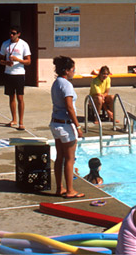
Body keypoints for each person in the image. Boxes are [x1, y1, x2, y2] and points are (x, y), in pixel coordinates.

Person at [49, 55, 84, 198]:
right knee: (70, 158)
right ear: (67, 70)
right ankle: (70, 190)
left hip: (55, 123)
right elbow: (69, 107)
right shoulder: (66, 85)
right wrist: (78, 126)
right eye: (73, 70)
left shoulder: (56, 83)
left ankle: (60, 188)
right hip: (65, 125)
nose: (74, 72)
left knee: (59, 157)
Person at [0, 26, 31, 130]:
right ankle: (14, 119)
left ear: (19, 34)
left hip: (19, 74)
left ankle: (21, 122)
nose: (11, 35)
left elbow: (28, 61)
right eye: (10, 33)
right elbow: (0, 59)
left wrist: (18, 59)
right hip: (8, 73)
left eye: (13, 33)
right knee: (11, 97)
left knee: (20, 98)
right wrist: (6, 62)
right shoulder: (5, 44)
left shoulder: (23, 44)